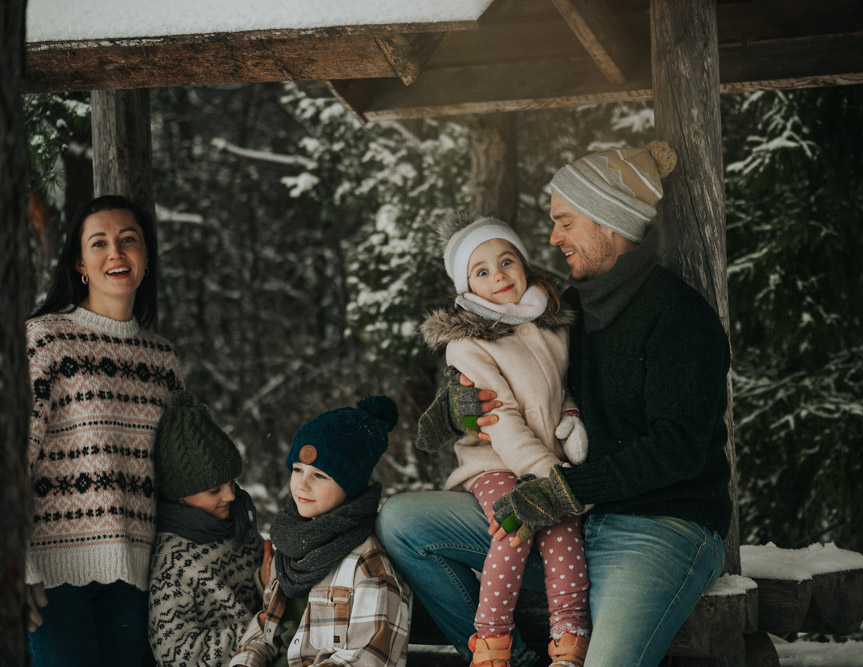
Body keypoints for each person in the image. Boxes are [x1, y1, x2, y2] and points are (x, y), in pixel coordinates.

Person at [377, 141, 731, 667]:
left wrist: (564, 491)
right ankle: (509, 658)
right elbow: (519, 383)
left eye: (565, 221)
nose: (552, 237)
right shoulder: (566, 309)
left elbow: (677, 449)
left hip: (658, 529)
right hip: (567, 517)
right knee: (403, 522)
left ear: (606, 222)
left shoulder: (680, 318)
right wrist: (460, 407)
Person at [415, 213, 591, 667]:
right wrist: (548, 474)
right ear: (467, 288)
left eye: (506, 261)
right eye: (482, 271)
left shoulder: (552, 325)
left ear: (524, 263)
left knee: (563, 526)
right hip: (494, 462)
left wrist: (569, 417)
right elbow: (500, 419)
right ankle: (492, 641)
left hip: (544, 458)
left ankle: (569, 636)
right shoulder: (469, 344)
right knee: (516, 524)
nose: (499, 276)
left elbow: (561, 386)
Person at [24, 194, 184, 666]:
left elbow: (177, 473)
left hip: (134, 575)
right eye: (99, 243)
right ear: (80, 264)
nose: (115, 252)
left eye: (128, 239)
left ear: (146, 258)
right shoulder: (44, 337)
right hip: (49, 574)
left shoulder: (163, 361)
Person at [230, 395, 410, 667]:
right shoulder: (290, 546)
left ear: (350, 485)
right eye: (297, 469)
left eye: (319, 475)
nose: (302, 485)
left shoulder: (368, 566)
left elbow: (368, 658)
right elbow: (265, 635)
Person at [147, 390, 266, 666]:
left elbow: (263, 602)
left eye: (232, 484)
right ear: (180, 495)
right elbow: (175, 654)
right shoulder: (173, 563)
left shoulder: (239, 526)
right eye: (215, 490)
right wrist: (256, 629)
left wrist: (263, 581)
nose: (231, 496)